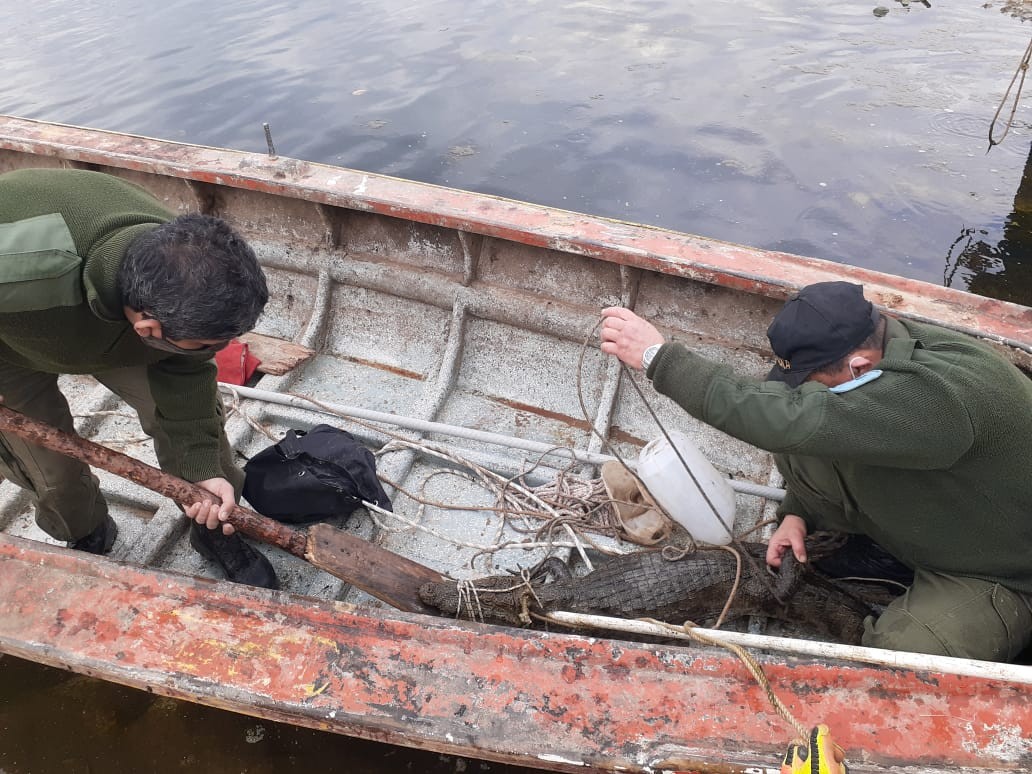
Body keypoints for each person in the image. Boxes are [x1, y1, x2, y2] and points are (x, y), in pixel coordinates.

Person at [600, 280, 1032, 662]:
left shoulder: (939, 400)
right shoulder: (882, 352)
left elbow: (788, 419)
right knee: (802, 438)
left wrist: (660, 359)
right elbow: (797, 424)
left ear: (859, 365)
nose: (803, 392)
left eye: (815, 379)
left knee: (906, 661)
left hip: (1001, 568)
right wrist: (797, 513)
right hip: (948, 512)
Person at [0, 168, 277, 589]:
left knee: (206, 451)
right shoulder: (18, 267)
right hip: (12, 342)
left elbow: (188, 375)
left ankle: (212, 530)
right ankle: (84, 530)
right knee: (51, 474)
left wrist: (198, 468)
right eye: (204, 344)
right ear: (147, 328)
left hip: (113, 327)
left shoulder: (184, 272)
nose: (211, 351)